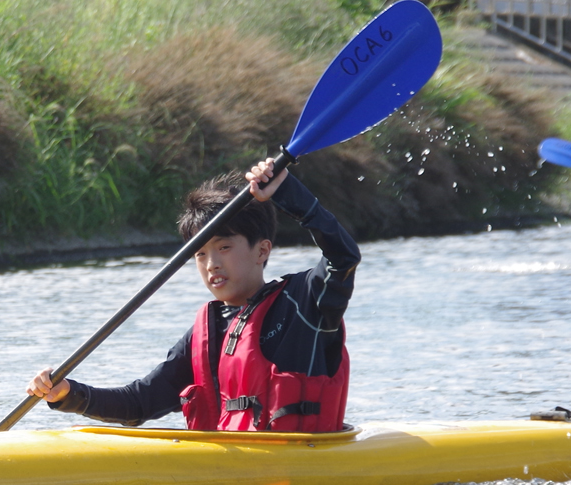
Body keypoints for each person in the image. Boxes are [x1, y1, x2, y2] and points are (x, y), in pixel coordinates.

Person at [27, 158, 359, 432]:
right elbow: (138, 403)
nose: (211, 264)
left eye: (224, 248)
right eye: (200, 254)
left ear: (262, 250)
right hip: (235, 483)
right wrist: (69, 394)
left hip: (302, 463)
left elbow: (343, 256)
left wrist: (289, 193)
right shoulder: (207, 333)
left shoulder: (305, 302)